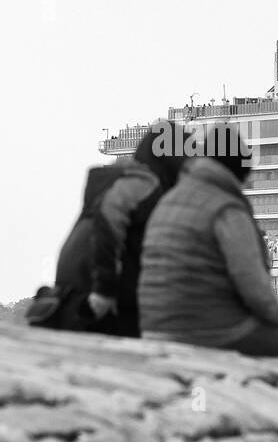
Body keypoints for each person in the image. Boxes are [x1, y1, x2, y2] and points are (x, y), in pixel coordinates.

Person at [138, 123, 278, 362]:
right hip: (207, 332)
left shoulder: (169, 199)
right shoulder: (227, 208)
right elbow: (253, 287)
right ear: (239, 168)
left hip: (154, 329)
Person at [28, 121, 186, 336]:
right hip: (95, 304)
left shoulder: (113, 184)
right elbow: (110, 218)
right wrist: (104, 291)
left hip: (71, 300)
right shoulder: (142, 182)